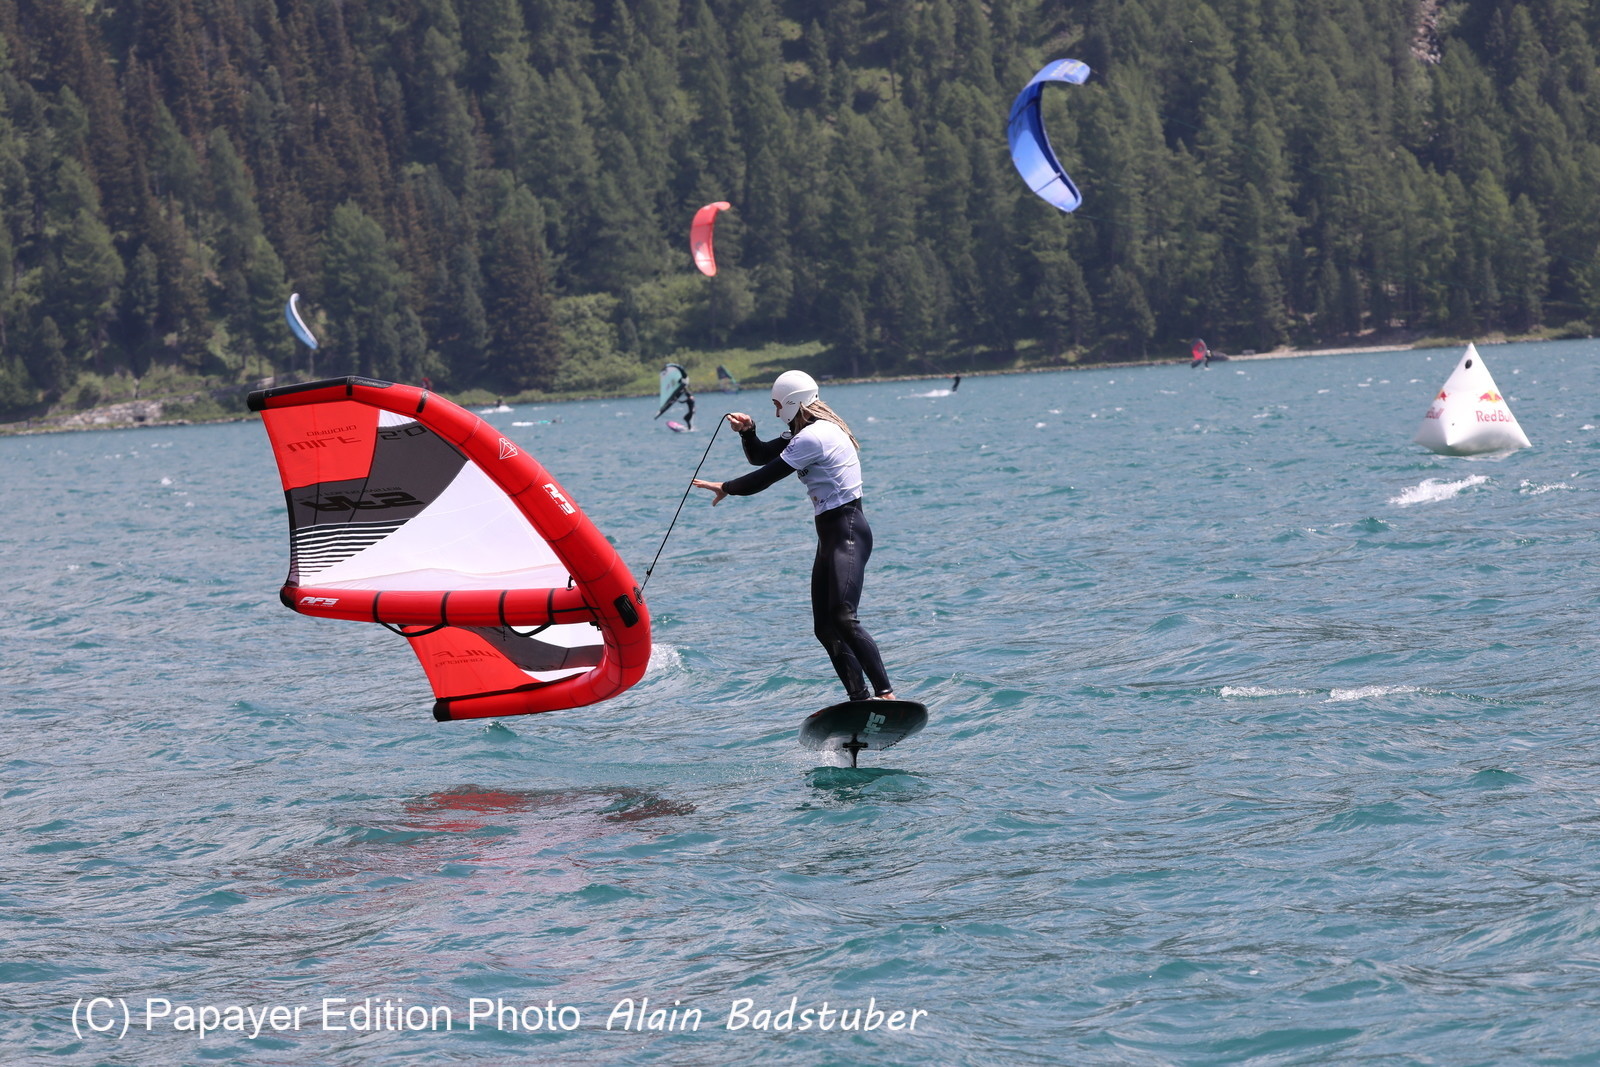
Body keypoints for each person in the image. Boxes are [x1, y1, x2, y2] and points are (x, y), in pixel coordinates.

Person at [692, 370, 895, 703]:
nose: (775, 413)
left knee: (843, 617)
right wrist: (748, 432)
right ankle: (859, 699)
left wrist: (725, 487)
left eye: (776, 405)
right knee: (825, 627)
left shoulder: (814, 437)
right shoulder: (803, 432)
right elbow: (761, 454)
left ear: (791, 402)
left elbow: (763, 478)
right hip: (830, 536)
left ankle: (885, 695)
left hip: (847, 531)